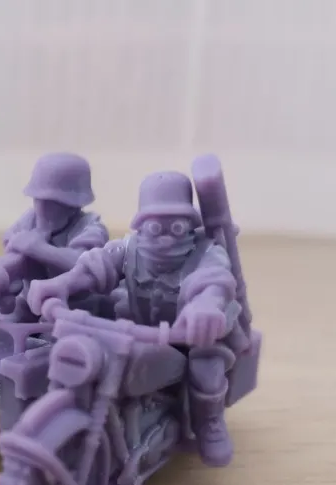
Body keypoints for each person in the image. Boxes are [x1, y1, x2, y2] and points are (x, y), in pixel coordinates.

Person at [26, 170, 242, 467]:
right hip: (138, 332)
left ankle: (209, 423)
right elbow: (95, 265)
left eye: (177, 226)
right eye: (155, 225)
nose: (165, 235)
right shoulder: (128, 249)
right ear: (141, 224)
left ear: (190, 224)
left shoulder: (207, 253)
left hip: (194, 337)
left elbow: (213, 280)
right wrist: (62, 284)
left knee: (206, 370)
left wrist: (205, 307)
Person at [0, 152, 109, 320]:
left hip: (74, 305)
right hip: (28, 299)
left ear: (73, 205)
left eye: (51, 203)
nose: (41, 207)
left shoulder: (90, 226)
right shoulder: (30, 218)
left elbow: (86, 264)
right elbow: (11, 240)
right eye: (37, 199)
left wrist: (39, 249)